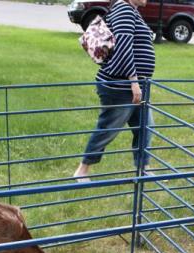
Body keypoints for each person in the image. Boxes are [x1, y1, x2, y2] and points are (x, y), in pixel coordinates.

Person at [73, 0, 156, 182]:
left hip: (136, 86)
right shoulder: (125, 10)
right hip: (121, 85)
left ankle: (143, 168)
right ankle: (82, 170)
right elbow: (124, 48)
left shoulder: (130, 10)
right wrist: (134, 82)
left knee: (145, 126)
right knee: (109, 127)